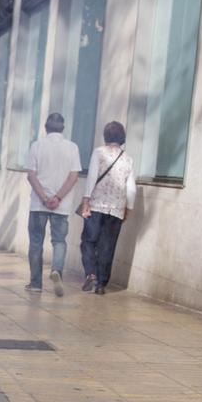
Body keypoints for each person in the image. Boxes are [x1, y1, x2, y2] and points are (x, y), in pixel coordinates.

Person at [24, 112, 82, 295]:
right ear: (63, 129)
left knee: (35, 242)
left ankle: (35, 284)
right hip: (61, 206)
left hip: (38, 205)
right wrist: (58, 198)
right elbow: (74, 176)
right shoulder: (72, 148)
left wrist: (44, 197)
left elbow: (31, 175)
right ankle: (56, 270)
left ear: (46, 128)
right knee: (59, 241)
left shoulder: (37, 146)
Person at [78, 121, 136, 294]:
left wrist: (86, 201)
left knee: (88, 241)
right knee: (107, 246)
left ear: (106, 136)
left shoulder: (99, 153)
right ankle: (101, 284)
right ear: (122, 137)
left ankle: (91, 273)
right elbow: (131, 188)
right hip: (116, 209)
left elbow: (92, 177)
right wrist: (128, 209)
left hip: (96, 205)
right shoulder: (128, 159)